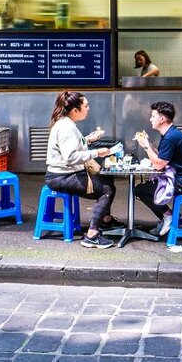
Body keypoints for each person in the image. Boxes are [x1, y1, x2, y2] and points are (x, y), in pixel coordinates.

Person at [45, 91, 121, 249]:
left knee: (108, 178)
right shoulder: (66, 127)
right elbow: (70, 157)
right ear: (75, 110)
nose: (88, 108)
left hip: (66, 173)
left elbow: (72, 144)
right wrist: (96, 152)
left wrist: (88, 139)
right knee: (107, 189)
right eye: (85, 106)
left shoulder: (67, 122)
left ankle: (105, 220)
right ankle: (92, 235)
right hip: (62, 177)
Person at [134, 101, 182, 236]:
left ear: (162, 119)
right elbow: (162, 157)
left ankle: (168, 216)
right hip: (180, 177)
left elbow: (158, 164)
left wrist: (146, 147)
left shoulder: (170, 137)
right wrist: (149, 144)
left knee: (140, 190)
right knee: (144, 188)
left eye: (153, 116)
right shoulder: (169, 133)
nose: (150, 119)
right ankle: (166, 217)